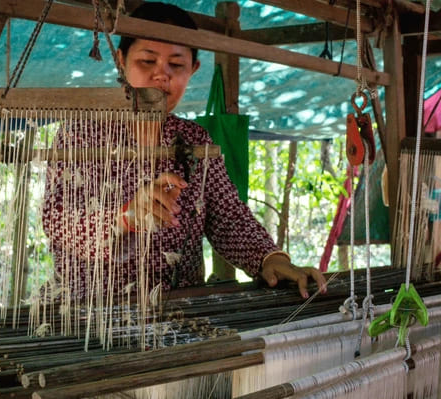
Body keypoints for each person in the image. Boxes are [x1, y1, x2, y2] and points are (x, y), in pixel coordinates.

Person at [43, 2, 326, 300]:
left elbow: (228, 218)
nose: (161, 76)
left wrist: (271, 259)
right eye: (147, 62)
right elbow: (57, 218)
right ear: (121, 59)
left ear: (193, 69)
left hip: (180, 314)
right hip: (91, 313)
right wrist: (125, 217)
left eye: (176, 65)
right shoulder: (81, 134)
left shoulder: (194, 140)